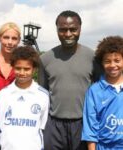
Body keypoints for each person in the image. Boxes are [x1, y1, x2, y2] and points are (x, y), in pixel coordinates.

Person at [38, 10, 94, 150]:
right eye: (63, 30)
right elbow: (42, 94)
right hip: (53, 126)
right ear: (57, 30)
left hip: (83, 125)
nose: (68, 34)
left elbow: (101, 91)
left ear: (80, 28)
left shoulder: (93, 58)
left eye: (73, 29)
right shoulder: (45, 59)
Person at [0, 46, 49, 150]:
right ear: (13, 67)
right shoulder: (4, 94)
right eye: (18, 68)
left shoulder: (43, 95)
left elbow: (43, 128)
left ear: (34, 69)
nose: (22, 73)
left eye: (27, 69)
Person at [82, 36, 123, 150]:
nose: (113, 65)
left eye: (117, 60)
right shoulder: (94, 91)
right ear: (101, 63)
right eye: (107, 61)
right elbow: (90, 128)